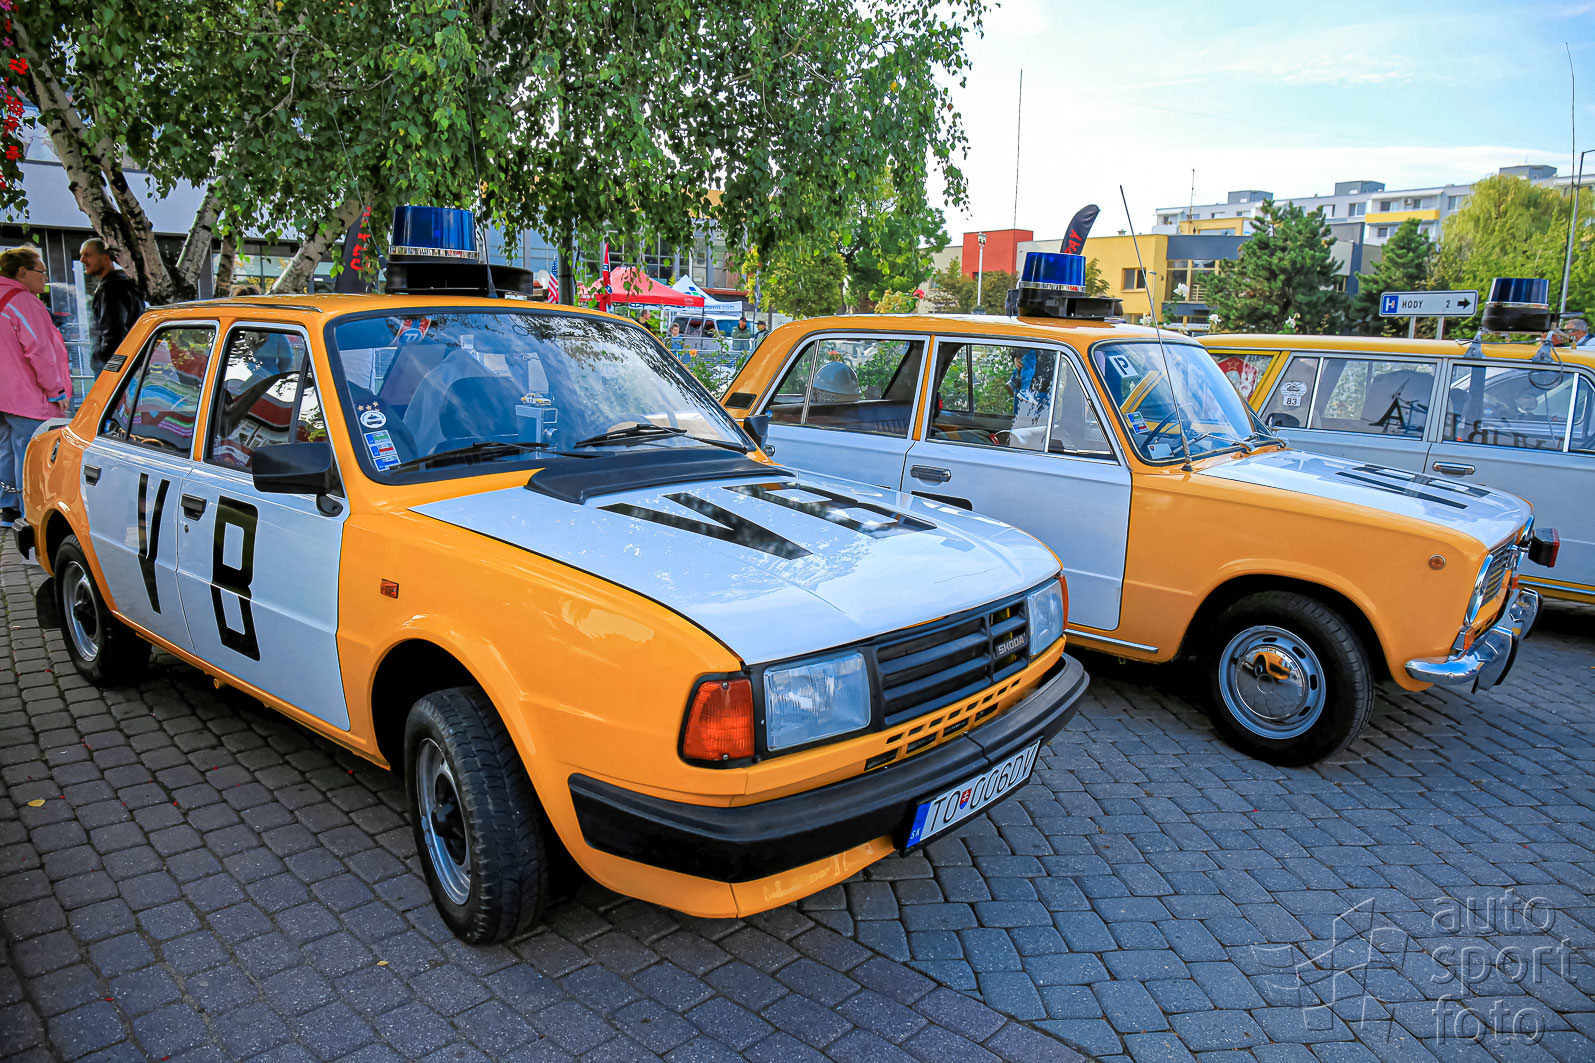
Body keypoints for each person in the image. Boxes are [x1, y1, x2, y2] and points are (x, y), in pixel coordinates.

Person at [0, 246, 72, 527]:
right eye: (41, 271)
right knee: (31, 455)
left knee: (6, 450)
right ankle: (30, 516)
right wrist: (57, 391)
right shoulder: (24, 302)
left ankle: (8, 509)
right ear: (22, 272)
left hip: (4, 397)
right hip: (28, 397)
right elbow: (41, 351)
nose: (45, 278)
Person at [79, 238, 145, 373]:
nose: (82, 260)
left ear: (106, 257)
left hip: (116, 370)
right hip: (129, 367)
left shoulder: (111, 288)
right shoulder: (122, 283)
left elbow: (114, 335)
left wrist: (110, 371)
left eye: (87, 255)